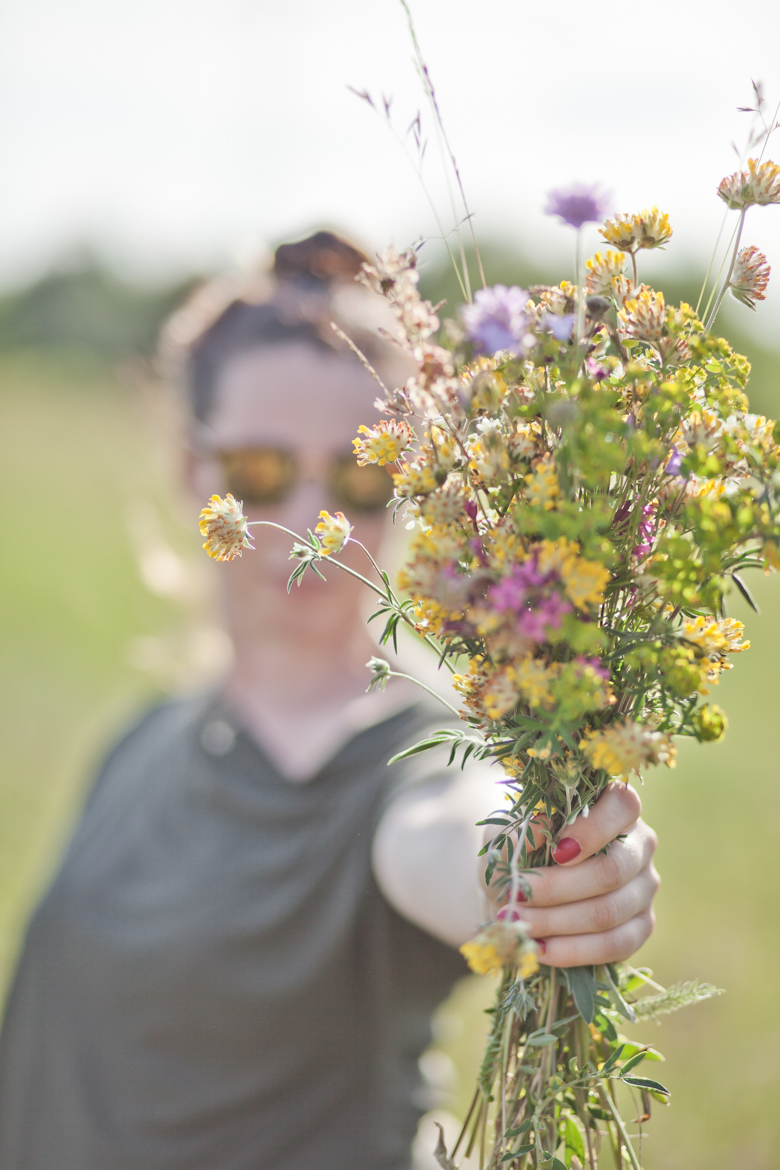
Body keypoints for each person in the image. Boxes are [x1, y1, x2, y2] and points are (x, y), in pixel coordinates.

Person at [0, 231, 660, 1170]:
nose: (314, 519)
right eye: (263, 471)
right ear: (197, 472)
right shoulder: (142, 738)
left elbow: (456, 832)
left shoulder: (422, 746)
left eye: (361, 479)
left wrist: (540, 871)